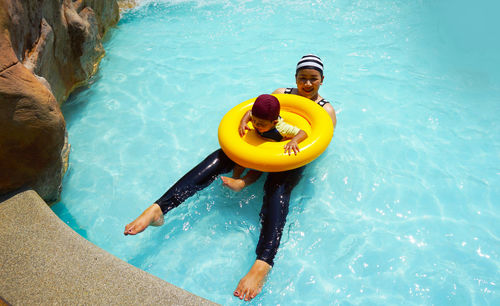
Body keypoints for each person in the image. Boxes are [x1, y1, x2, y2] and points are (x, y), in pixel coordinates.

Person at [124, 54, 336, 301]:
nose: (307, 84)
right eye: (302, 78)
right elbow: (253, 112)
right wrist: (247, 128)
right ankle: (159, 208)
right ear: (295, 77)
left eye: (313, 79)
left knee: (277, 188)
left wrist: (286, 157)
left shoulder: (326, 110)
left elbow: (319, 144)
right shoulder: (281, 93)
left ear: (322, 80)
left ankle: (263, 263)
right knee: (218, 158)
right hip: (260, 143)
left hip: (291, 156)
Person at [221, 94, 308, 192]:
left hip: (270, 153)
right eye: (254, 121)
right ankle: (235, 177)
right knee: (241, 162)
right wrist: (243, 122)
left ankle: (241, 184)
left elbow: (303, 133)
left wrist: (294, 141)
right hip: (257, 147)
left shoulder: (282, 128)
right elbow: (249, 112)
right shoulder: (257, 117)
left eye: (261, 124)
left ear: (274, 122)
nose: (256, 125)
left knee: (256, 170)